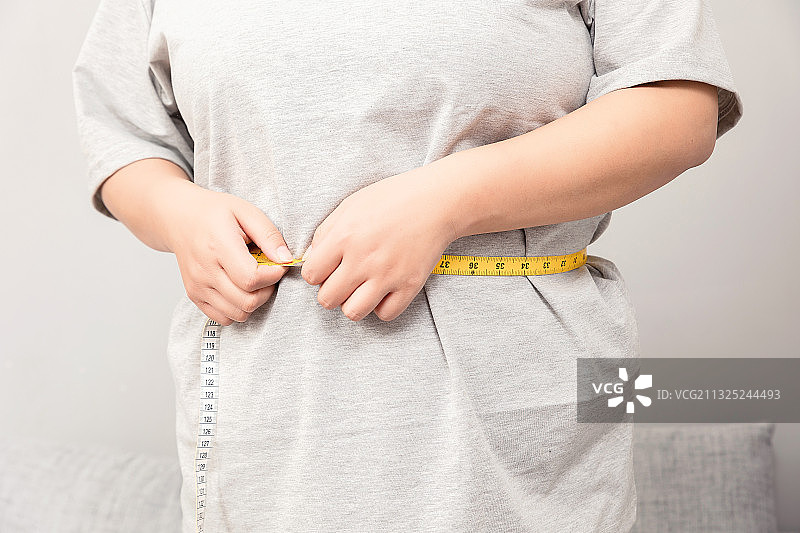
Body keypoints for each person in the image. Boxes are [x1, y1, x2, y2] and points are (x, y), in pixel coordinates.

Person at [72, 0, 742, 531]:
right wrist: (178, 211)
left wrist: (448, 200)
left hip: (507, 431)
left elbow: (677, 109)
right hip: (266, 432)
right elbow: (123, 132)